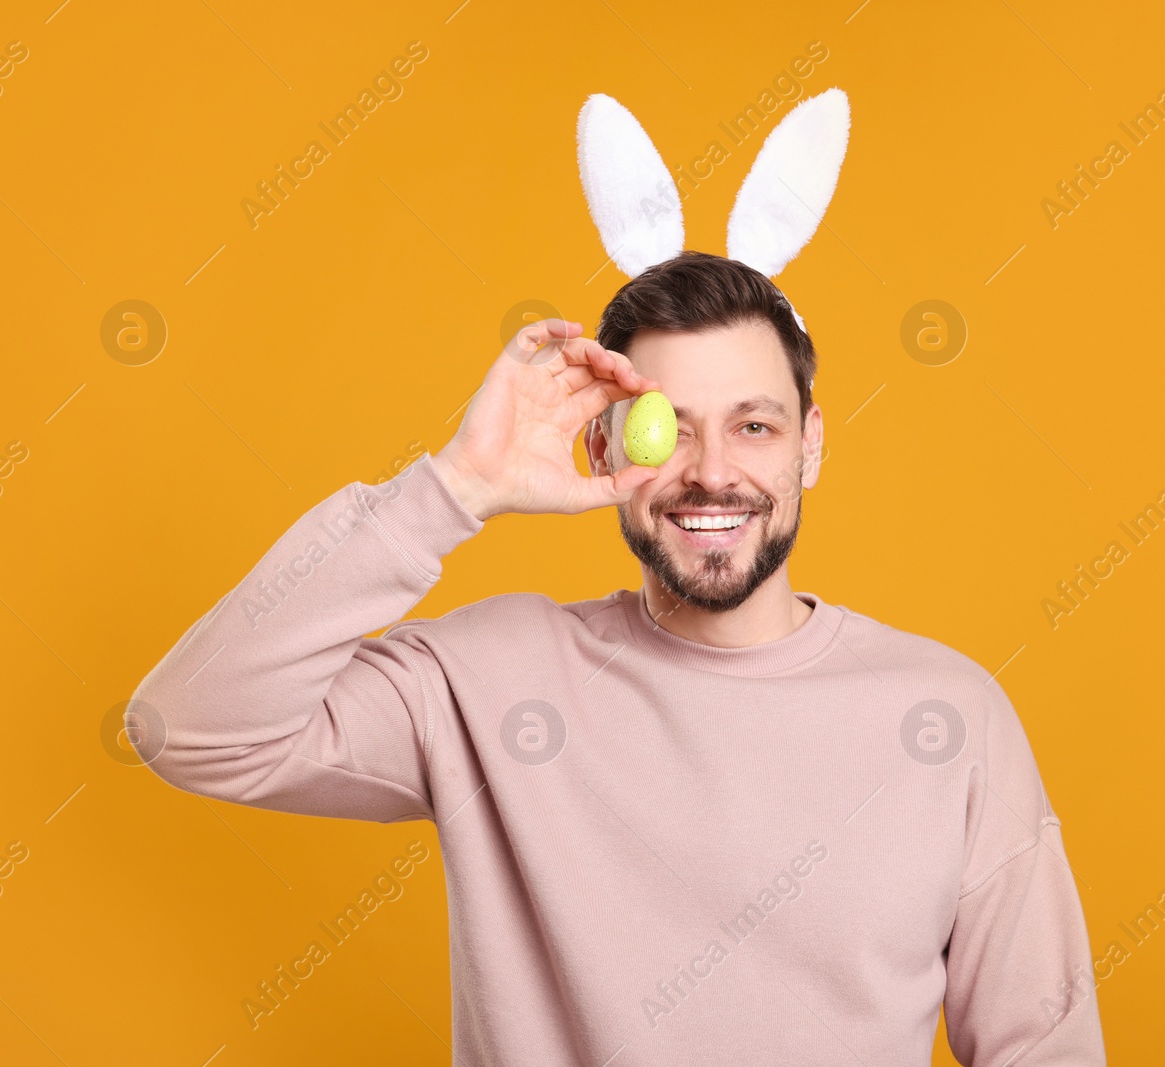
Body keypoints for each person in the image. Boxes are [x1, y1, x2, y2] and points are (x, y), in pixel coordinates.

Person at [130, 251, 1106, 1065]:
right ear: (603, 445)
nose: (712, 471)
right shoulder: (495, 676)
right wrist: (455, 485)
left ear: (809, 443)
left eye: (752, 425)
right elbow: (190, 726)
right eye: (665, 429)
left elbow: (1043, 1044)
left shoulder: (947, 715)